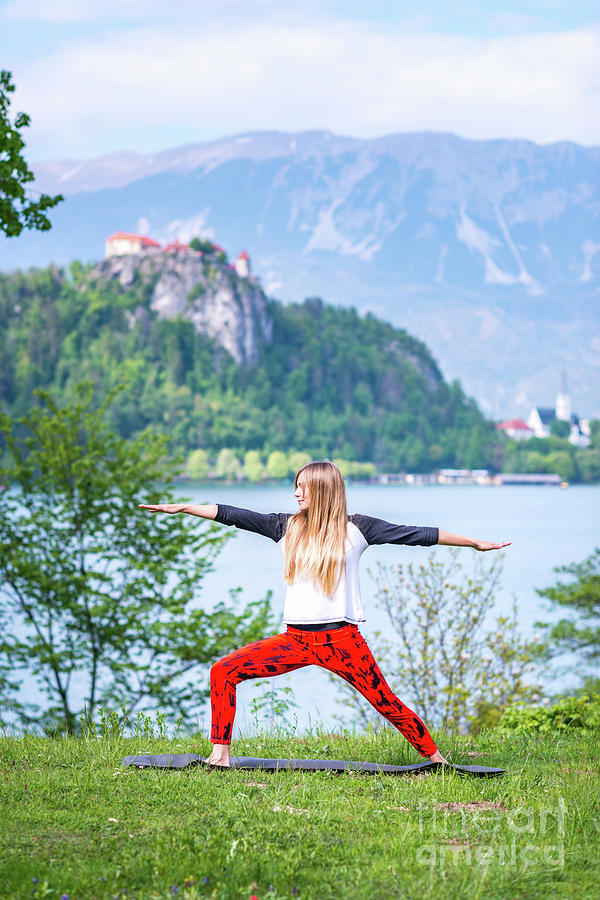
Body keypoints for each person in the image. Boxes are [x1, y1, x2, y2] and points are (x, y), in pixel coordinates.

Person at [140, 460, 510, 767]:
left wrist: (474, 542)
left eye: (304, 486)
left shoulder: (357, 528)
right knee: (223, 671)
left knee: (386, 702)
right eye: (296, 486)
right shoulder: (285, 526)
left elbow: (418, 534)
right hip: (294, 641)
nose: (296, 492)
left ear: (323, 489)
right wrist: (185, 507)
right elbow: (232, 514)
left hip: (342, 642)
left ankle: (436, 760)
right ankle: (219, 755)